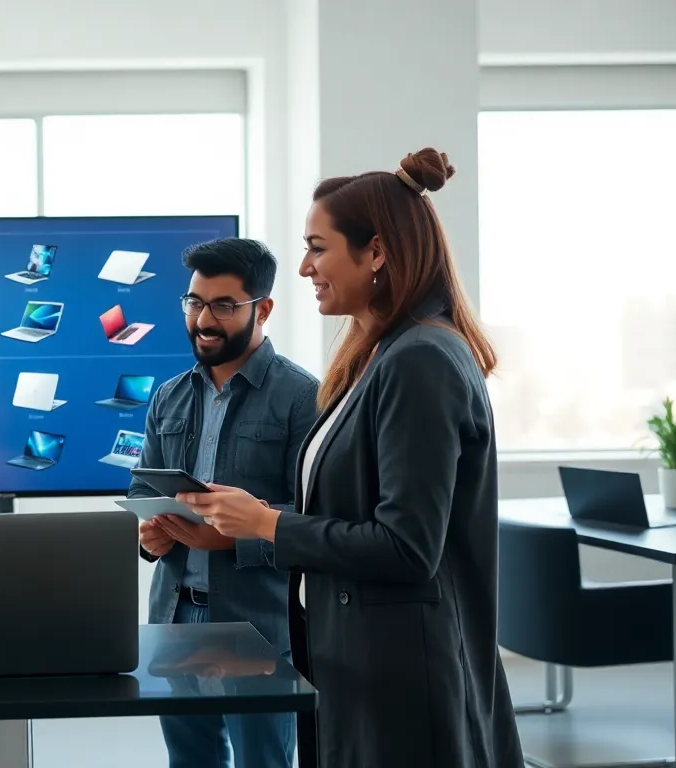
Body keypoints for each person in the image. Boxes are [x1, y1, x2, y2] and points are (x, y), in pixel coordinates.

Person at [177, 149, 525, 768]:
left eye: (318, 247)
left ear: (377, 252)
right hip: (362, 664)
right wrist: (260, 518)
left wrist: (266, 524)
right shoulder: (381, 357)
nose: (306, 267)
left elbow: (407, 546)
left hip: (402, 675)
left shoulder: (419, 360)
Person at [128, 238, 320, 768]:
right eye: (194, 302)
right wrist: (148, 534)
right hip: (175, 615)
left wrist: (239, 536)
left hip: (258, 621)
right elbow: (141, 489)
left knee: (264, 761)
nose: (203, 319)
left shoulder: (304, 397)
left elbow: (320, 522)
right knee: (191, 761)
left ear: (264, 308)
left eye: (223, 305)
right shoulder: (168, 394)